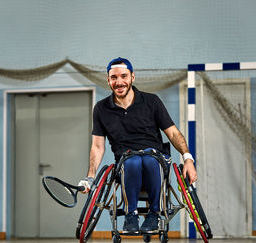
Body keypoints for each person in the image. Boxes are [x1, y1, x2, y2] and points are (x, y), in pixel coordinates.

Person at [79, 57, 197, 233]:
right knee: (132, 161)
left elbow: (173, 133)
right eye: (114, 77)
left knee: (149, 159)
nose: (119, 82)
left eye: (124, 76)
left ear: (133, 77)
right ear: (108, 80)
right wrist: (90, 177)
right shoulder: (101, 109)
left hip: (155, 157)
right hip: (126, 160)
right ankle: (130, 214)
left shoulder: (152, 101)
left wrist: (187, 158)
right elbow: (97, 146)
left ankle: (155, 213)